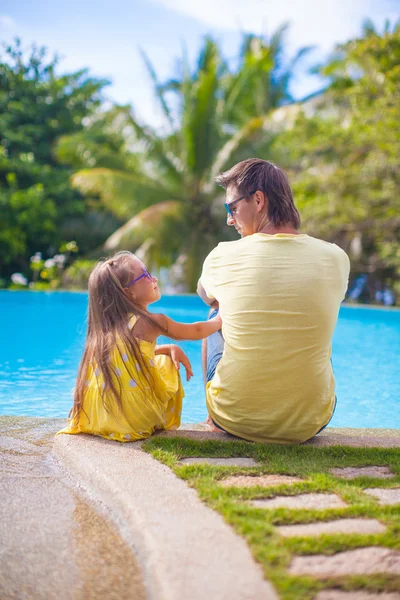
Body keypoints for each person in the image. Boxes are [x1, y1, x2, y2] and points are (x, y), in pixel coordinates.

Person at [197, 158, 350, 444]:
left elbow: (205, 294)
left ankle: (212, 419)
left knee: (216, 310)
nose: (229, 219)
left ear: (258, 200)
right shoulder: (336, 258)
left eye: (231, 208)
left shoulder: (222, 255)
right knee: (309, 319)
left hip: (234, 417)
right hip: (309, 423)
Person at [58, 251, 221, 442]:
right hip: (135, 421)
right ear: (129, 292)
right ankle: (157, 420)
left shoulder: (104, 330)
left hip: (98, 418)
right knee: (166, 363)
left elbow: (127, 356)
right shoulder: (151, 322)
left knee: (160, 356)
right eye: (145, 275)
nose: (154, 278)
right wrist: (220, 318)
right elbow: (197, 331)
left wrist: (168, 348)